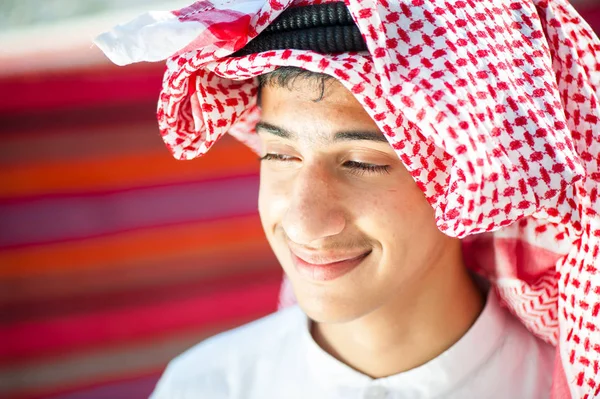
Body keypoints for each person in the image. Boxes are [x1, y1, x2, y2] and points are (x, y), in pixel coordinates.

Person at [95, 1, 600, 398]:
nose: (305, 222)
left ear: (469, 178)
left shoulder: (551, 383)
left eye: (361, 162)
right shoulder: (204, 386)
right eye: (280, 155)